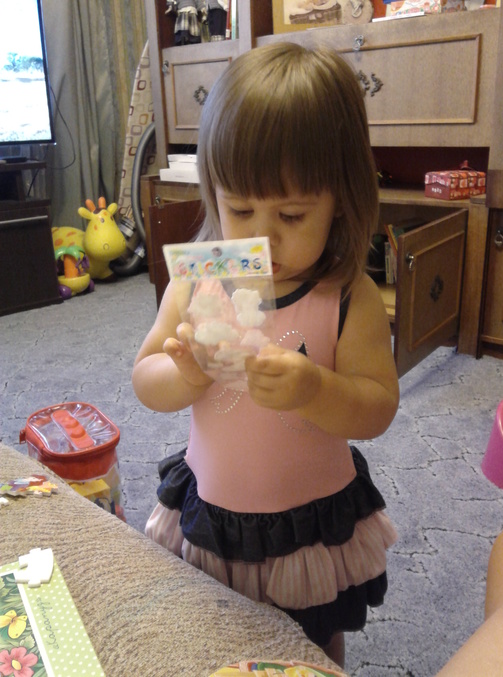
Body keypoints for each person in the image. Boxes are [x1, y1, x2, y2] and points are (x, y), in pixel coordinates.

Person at [132, 42, 399, 667]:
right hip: (215, 515)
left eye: (293, 214)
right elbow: (145, 379)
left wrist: (316, 389)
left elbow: (377, 407)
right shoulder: (198, 280)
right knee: (217, 635)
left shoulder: (347, 295)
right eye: (241, 208)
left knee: (312, 640)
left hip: (308, 524)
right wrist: (186, 374)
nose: (263, 235)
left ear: (340, 200)